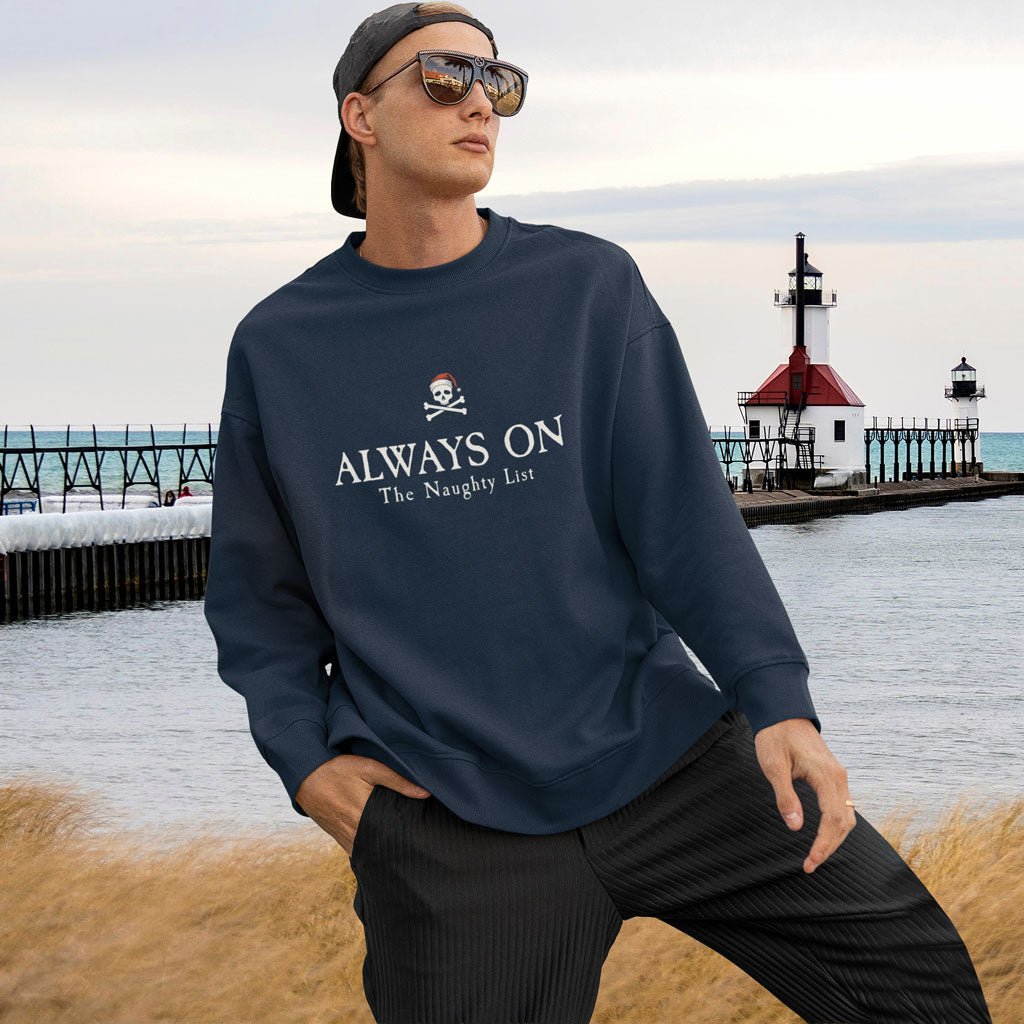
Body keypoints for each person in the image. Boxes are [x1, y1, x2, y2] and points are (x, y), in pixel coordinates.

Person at [203, 4, 994, 1022]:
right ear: (361, 114)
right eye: (443, 79)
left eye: (499, 82)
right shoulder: (282, 346)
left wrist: (778, 699)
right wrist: (305, 764)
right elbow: (258, 599)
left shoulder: (585, 286)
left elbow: (685, 523)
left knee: (920, 985)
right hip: (448, 818)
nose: (479, 100)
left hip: (661, 757)